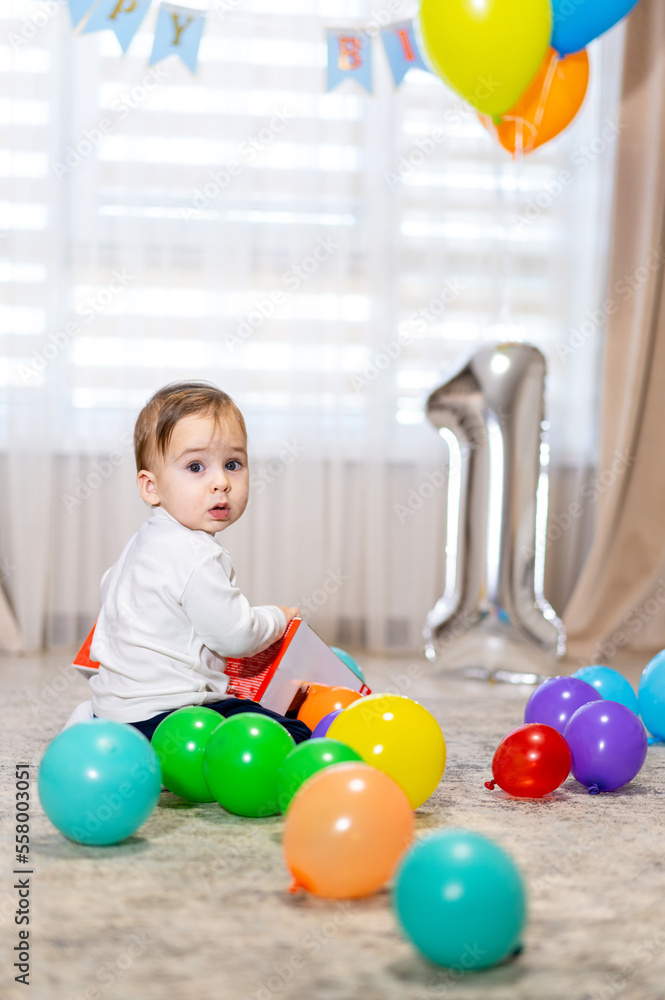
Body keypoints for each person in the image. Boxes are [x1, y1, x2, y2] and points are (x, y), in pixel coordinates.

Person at [89, 380, 311, 743]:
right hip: (169, 717)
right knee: (290, 732)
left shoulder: (141, 543)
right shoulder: (196, 554)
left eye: (233, 464)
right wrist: (277, 617)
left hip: (113, 715)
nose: (221, 481)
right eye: (195, 467)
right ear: (151, 486)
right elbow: (236, 636)